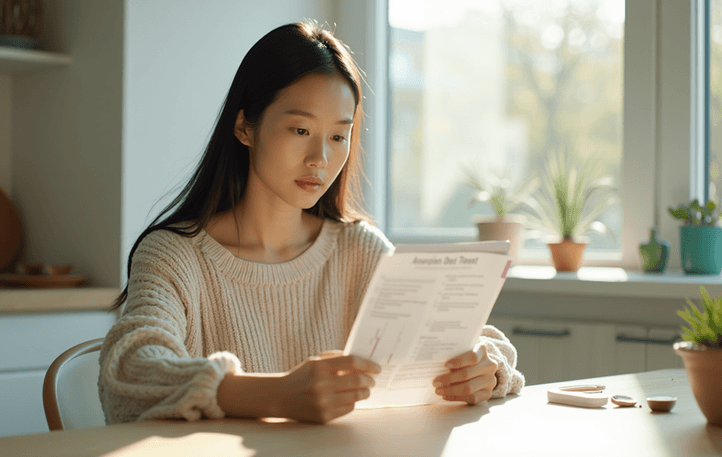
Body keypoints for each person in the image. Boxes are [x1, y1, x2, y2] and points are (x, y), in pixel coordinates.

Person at [99, 21, 524, 425]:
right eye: (300, 130)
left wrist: (485, 368)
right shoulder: (175, 256)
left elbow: (473, 339)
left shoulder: (358, 250)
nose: (320, 159)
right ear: (245, 126)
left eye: (338, 136)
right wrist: (278, 394)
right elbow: (131, 371)